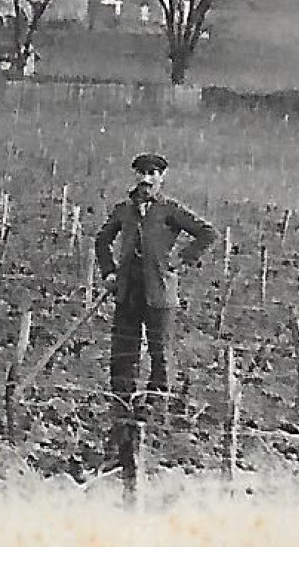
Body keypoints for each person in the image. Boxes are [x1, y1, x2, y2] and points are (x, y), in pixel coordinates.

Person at [94, 151, 216, 411]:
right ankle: (122, 402)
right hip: (128, 291)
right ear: (135, 176)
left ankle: (156, 405)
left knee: (160, 353)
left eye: (152, 174)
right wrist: (108, 272)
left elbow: (207, 233)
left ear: (161, 177)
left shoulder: (169, 210)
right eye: (142, 173)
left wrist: (181, 258)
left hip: (159, 292)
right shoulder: (123, 210)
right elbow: (102, 240)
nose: (146, 179)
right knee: (124, 350)